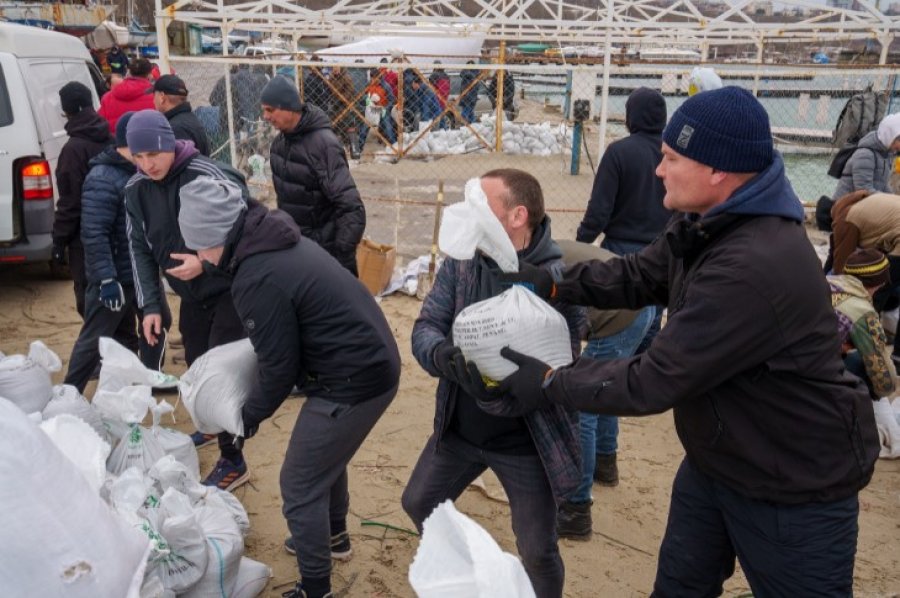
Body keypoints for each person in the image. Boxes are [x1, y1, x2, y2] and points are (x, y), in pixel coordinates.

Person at [483, 87, 880, 595]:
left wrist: (548, 381)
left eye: (672, 158)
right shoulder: (705, 222)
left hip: (794, 481)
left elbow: (654, 379)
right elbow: (639, 274)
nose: (658, 169)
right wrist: (556, 281)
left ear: (717, 170)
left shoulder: (754, 265)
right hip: (718, 458)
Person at [177, 178, 401, 598]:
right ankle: (333, 537)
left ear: (217, 236)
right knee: (321, 461)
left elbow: (279, 367)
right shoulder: (269, 238)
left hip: (354, 378)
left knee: (298, 484)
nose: (201, 257)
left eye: (201, 247)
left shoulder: (257, 277)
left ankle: (315, 588)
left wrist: (246, 417)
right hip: (365, 358)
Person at [403, 169, 584, 598]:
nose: (471, 213)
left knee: (538, 550)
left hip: (526, 442)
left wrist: (537, 377)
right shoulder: (463, 262)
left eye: (482, 205)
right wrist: (442, 356)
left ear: (518, 215)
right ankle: (476, 578)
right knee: (418, 505)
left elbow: (569, 354)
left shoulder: (557, 276)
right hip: (462, 429)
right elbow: (426, 325)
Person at [124, 110, 250, 490]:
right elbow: (139, 250)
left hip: (229, 289)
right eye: (138, 157)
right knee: (195, 366)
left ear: (169, 144)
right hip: (191, 297)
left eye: (154, 155)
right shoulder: (136, 189)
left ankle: (234, 460)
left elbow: (249, 226)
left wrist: (205, 263)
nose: (148, 165)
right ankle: (211, 427)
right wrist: (149, 306)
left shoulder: (205, 175)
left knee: (221, 376)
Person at [64, 112, 175, 393]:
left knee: (159, 320)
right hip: (115, 275)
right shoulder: (102, 177)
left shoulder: (141, 173)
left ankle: (151, 378)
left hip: (141, 272)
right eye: (139, 151)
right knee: (95, 337)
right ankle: (69, 390)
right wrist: (105, 279)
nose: (145, 159)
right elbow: (94, 233)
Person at [552, 239, 654, 541]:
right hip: (640, 309)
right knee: (604, 391)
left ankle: (576, 508)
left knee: (583, 402)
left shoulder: (534, 268)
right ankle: (605, 465)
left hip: (618, 317)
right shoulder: (551, 248)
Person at [576, 87, 670, 360]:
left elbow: (599, 211)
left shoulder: (619, 152)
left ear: (631, 116)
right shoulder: (673, 155)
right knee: (646, 334)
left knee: (616, 330)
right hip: (663, 254)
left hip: (621, 252)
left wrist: (579, 242)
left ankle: (597, 391)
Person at [261, 75, 366, 275]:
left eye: (270, 109)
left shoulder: (323, 146)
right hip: (297, 250)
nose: (265, 117)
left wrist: (341, 255)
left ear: (289, 107)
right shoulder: (278, 147)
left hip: (326, 257)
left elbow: (352, 208)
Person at [53, 81, 113, 319]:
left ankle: (100, 351)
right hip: (113, 233)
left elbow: (70, 202)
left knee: (90, 304)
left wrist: (59, 241)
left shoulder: (73, 150)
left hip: (83, 240)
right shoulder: (109, 139)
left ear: (69, 111)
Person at [829, 190, 900, 360]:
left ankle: (868, 342)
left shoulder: (846, 219)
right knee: (888, 283)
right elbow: (836, 255)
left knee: (878, 288)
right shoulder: (868, 205)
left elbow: (840, 267)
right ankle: (896, 354)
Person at [828, 248, 897, 400]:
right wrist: (882, 391)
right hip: (815, 373)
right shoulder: (863, 312)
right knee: (860, 360)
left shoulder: (825, 282)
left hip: (781, 360)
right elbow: (882, 375)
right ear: (880, 282)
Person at [831, 112, 900, 202]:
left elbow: (884, 186)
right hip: (846, 208)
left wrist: (895, 200)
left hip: (865, 205)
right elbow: (863, 191)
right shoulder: (865, 154)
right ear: (889, 135)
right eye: (899, 140)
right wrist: (891, 201)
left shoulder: (886, 155)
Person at [150, 74, 210, 156]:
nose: (153, 101)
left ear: (162, 97)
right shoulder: (189, 118)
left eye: (154, 96)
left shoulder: (174, 129)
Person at [98, 57, 155, 134]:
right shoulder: (156, 97)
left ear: (129, 73)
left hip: (115, 143)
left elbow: (100, 124)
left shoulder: (107, 97)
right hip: (146, 143)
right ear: (149, 75)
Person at [458, 60, 482, 125]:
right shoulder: (468, 75)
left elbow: (476, 86)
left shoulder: (475, 75)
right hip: (468, 97)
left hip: (470, 97)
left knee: (467, 112)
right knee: (469, 112)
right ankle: (470, 125)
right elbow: (463, 74)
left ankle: (466, 125)